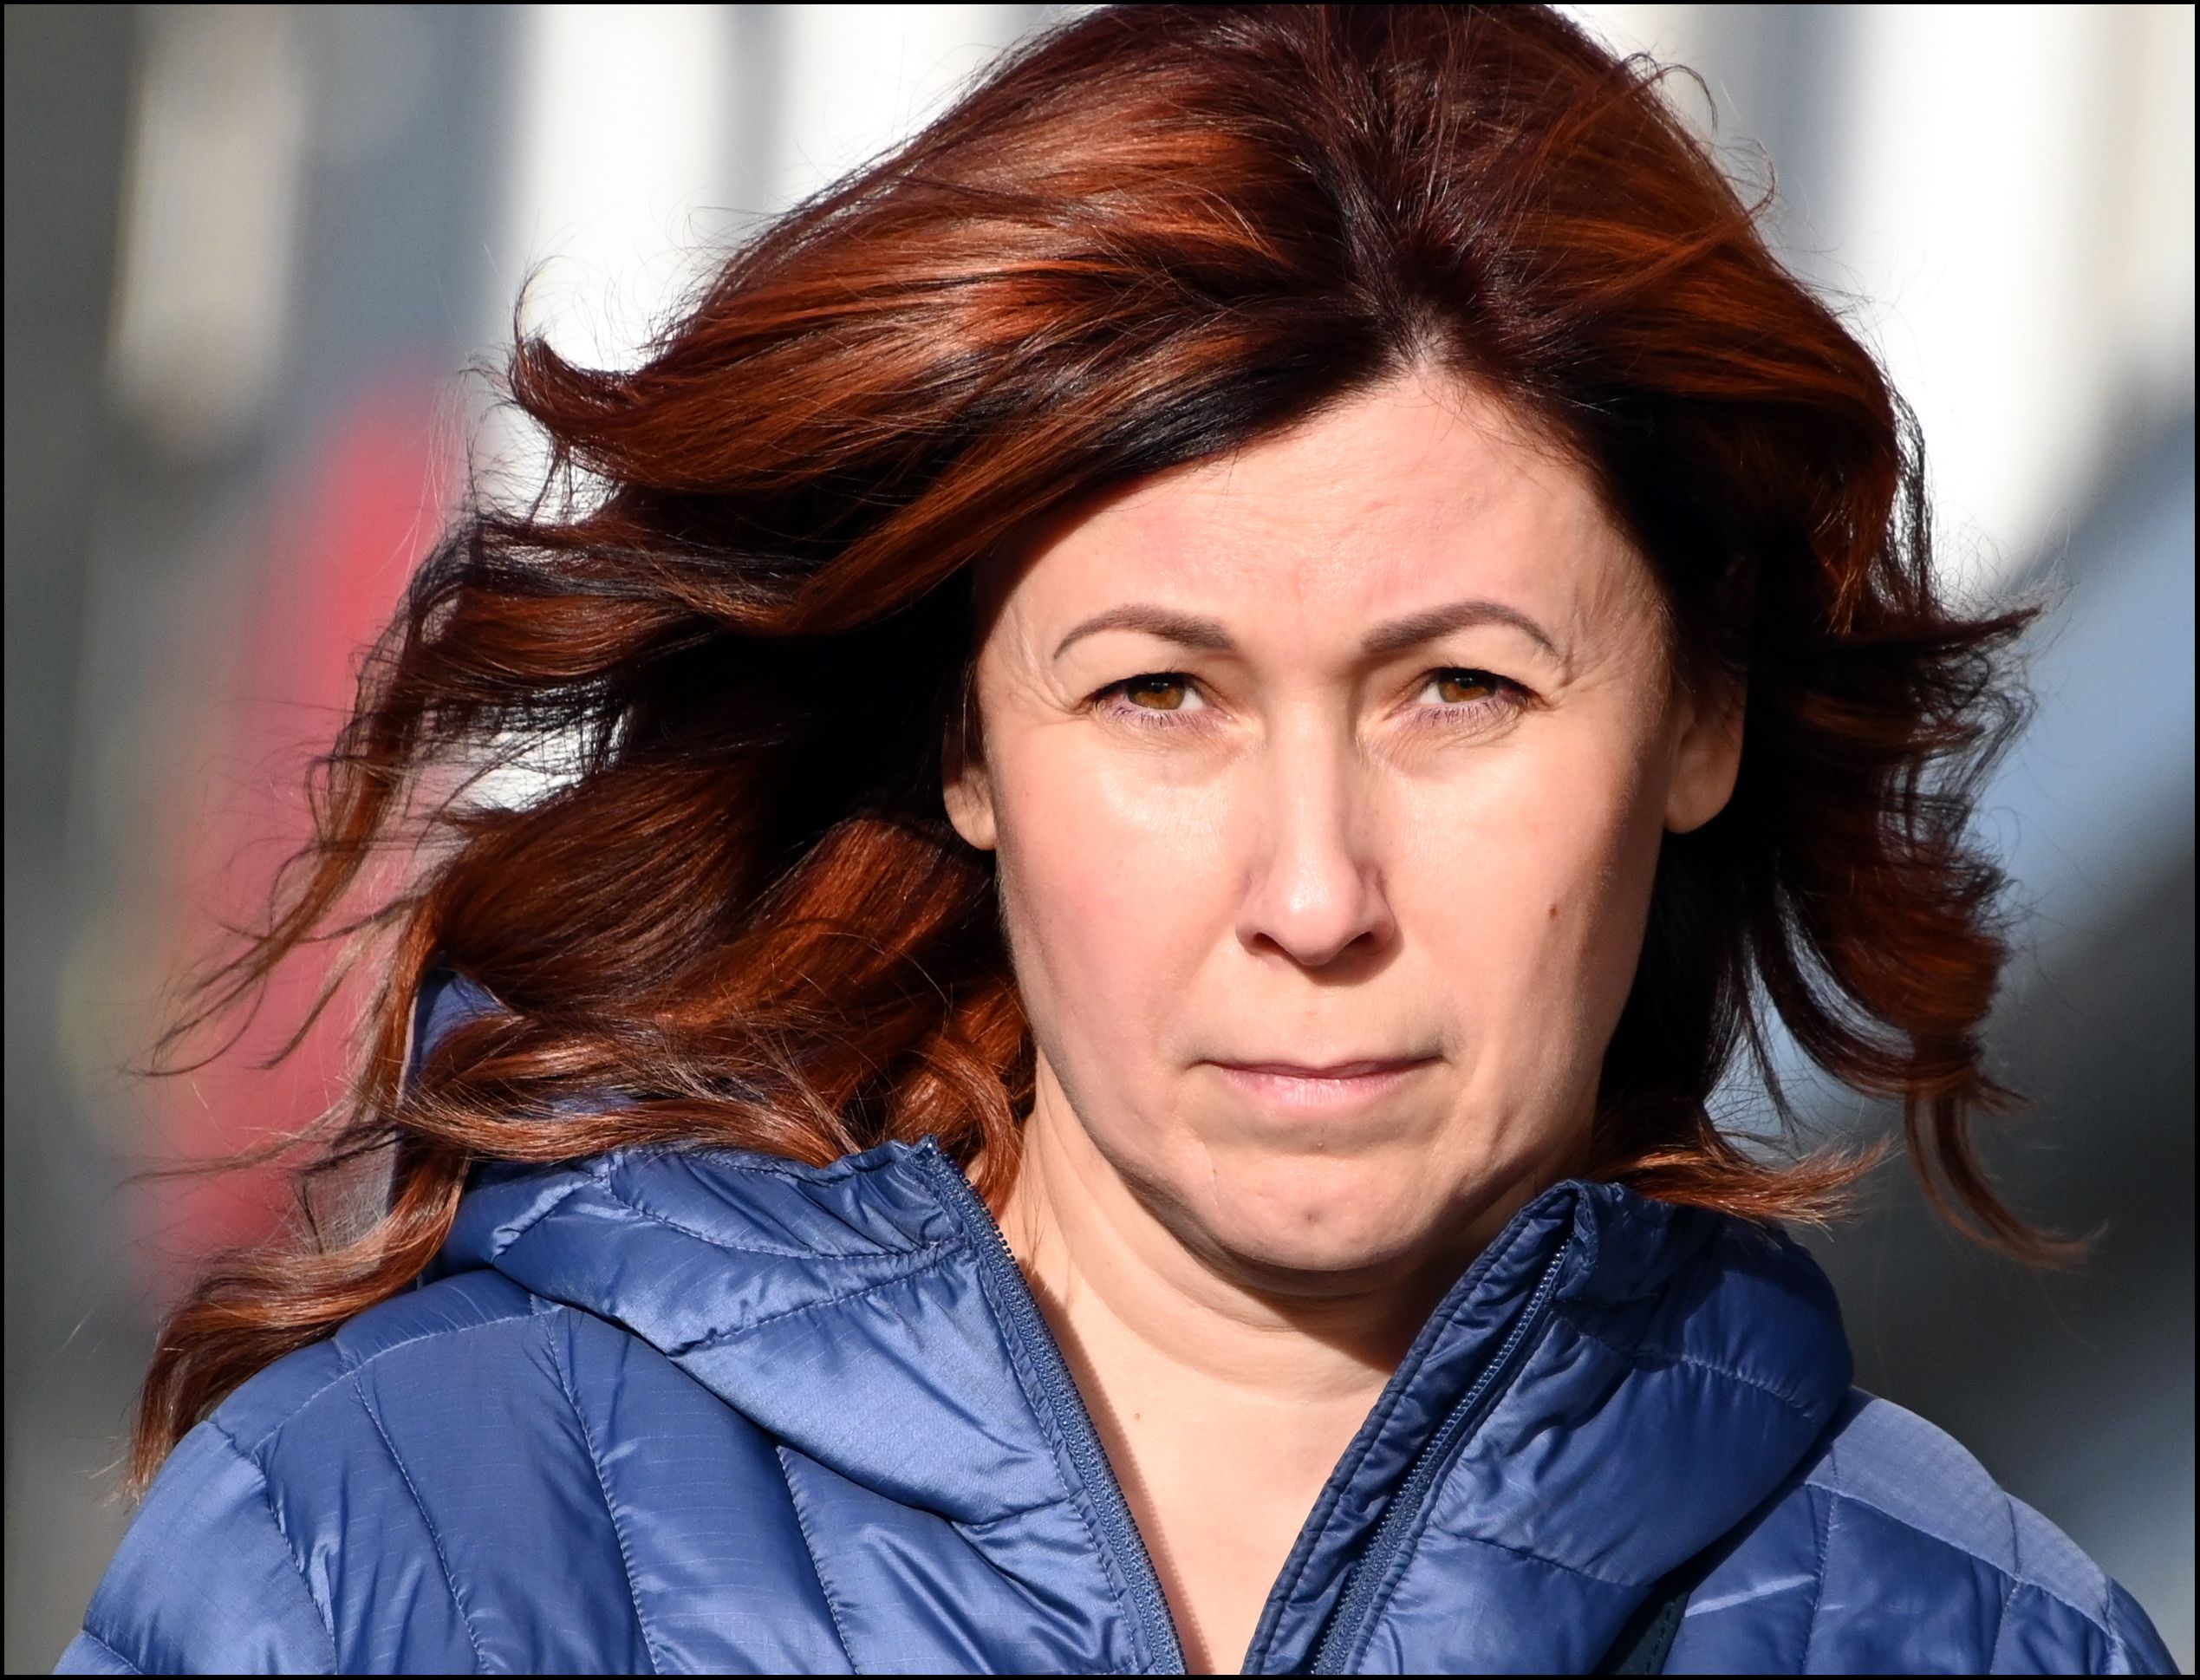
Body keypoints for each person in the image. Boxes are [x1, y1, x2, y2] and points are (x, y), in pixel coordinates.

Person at [60, 6, 2175, 1675]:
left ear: (1696, 716)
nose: (1315, 895)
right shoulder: (395, 1545)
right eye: (1162, 693)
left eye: (1462, 689)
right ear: (966, 742)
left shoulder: (1988, 1639)